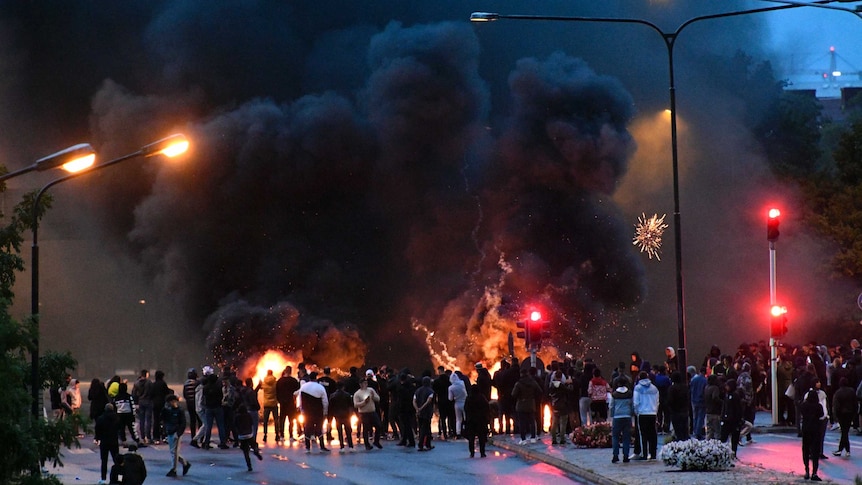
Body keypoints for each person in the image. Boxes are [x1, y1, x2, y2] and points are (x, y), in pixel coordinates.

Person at [299, 372, 330, 453]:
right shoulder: (320, 387)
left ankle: (307, 447)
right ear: (316, 378)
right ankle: (322, 446)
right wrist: (325, 412)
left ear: (309, 378)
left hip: (307, 412)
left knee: (307, 428)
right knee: (319, 428)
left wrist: (301, 410)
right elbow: (325, 401)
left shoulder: (303, 387)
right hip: (318, 411)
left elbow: (300, 400)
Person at [512, 367, 543, 445]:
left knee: (522, 422)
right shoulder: (533, 382)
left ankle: (523, 439)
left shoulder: (518, 383)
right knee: (532, 421)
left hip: (521, 404)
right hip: (531, 404)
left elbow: (513, 394)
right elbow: (539, 391)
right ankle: (533, 437)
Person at [162, 394, 191, 477]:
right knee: (173, 451)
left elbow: (183, 423)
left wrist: (178, 433)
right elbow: (163, 419)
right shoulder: (167, 410)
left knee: (174, 452)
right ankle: (185, 463)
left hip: (175, 432)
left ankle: (173, 469)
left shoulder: (179, 411)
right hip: (170, 431)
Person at [800, 388, 825, 481]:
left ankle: (806, 470)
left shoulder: (804, 405)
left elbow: (801, 412)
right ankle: (814, 472)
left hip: (806, 429)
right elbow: (822, 415)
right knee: (815, 452)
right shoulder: (818, 406)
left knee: (806, 450)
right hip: (815, 430)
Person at [632, 371, 659, 460]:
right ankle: (653, 453)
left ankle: (644, 454)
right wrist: (655, 411)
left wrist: (636, 412)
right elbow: (657, 402)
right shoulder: (654, 388)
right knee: (653, 434)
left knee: (643, 434)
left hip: (642, 413)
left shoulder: (638, 388)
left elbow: (636, 402)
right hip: (652, 413)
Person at [608, 377, 634, 464]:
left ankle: (615, 455)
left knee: (615, 437)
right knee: (626, 437)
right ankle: (626, 456)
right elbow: (632, 405)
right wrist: (632, 413)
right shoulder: (629, 394)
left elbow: (611, 406)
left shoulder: (614, 394)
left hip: (617, 416)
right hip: (627, 416)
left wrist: (612, 415)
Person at [95, 403, 120, 485]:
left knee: (104, 461)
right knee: (117, 461)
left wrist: (97, 438)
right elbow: (119, 428)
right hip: (114, 441)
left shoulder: (101, 418)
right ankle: (119, 479)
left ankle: (103, 479)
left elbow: (97, 430)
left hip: (104, 441)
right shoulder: (116, 418)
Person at [353, 378, 382, 450]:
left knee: (378, 426)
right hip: (363, 413)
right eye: (364, 383)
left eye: (366, 383)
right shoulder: (357, 393)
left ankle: (376, 441)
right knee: (366, 429)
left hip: (372, 411)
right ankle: (367, 444)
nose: (366, 384)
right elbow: (356, 405)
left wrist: (373, 396)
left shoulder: (371, 390)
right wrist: (364, 402)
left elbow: (378, 399)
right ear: (360, 384)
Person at [464, 384, 490, 458]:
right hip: (481, 420)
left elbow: (466, 409)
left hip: (471, 420)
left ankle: (472, 453)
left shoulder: (468, 398)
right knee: (481, 437)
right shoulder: (482, 398)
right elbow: (487, 408)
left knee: (471, 438)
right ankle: (482, 452)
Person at [720, 379, 744, 459]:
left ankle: (733, 453)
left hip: (733, 420)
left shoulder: (735, 396)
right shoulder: (727, 395)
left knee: (734, 439)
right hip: (727, 420)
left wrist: (738, 419)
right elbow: (724, 407)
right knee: (724, 437)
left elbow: (738, 409)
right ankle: (724, 453)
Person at [832, 377, 856, 457]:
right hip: (850, 413)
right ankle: (846, 450)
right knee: (845, 432)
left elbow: (836, 406)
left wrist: (836, 416)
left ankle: (841, 449)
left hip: (842, 414)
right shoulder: (851, 391)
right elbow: (855, 403)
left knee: (844, 432)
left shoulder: (838, 393)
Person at [113, 382, 142, 447]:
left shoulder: (116, 397)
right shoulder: (129, 396)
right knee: (132, 429)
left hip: (120, 415)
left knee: (121, 429)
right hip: (129, 415)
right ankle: (137, 440)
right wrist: (133, 414)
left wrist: (115, 415)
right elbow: (132, 406)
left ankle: (124, 441)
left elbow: (114, 407)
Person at [235, 403, 263, 471]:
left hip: (241, 436)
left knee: (246, 452)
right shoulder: (248, 415)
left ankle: (249, 466)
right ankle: (256, 452)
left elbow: (235, 426)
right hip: (249, 434)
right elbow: (251, 423)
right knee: (253, 445)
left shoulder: (237, 417)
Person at [276, 366, 300, 442]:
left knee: (282, 419)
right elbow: (297, 391)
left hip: (283, 403)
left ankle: (282, 435)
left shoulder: (279, 381)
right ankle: (291, 435)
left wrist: (279, 401)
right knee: (291, 420)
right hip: (291, 403)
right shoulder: (294, 381)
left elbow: (277, 392)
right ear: (290, 371)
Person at [329, 382, 355, 452]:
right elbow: (350, 405)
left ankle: (342, 447)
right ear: (343, 387)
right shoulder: (347, 395)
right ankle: (351, 446)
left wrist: (330, 417)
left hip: (337, 415)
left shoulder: (332, 396)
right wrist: (351, 414)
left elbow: (331, 407)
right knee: (348, 431)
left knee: (339, 431)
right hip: (346, 415)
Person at [547, 370, 571, 445]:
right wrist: (569, 384)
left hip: (554, 405)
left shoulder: (551, 385)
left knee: (554, 422)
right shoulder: (562, 386)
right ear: (561, 377)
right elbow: (569, 391)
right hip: (563, 405)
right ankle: (562, 439)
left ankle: (553, 439)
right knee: (563, 423)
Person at [413, 375, 435, 451]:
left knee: (424, 427)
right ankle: (421, 444)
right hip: (427, 412)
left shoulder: (418, 390)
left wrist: (417, 409)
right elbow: (429, 401)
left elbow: (414, 401)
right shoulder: (431, 391)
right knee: (425, 428)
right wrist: (421, 408)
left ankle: (428, 444)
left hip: (419, 413)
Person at [667, 371, 690, 441]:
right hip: (684, 411)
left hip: (675, 412)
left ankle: (679, 444)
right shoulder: (685, 387)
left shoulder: (671, 388)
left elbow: (670, 400)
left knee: (678, 431)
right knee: (685, 430)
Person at [132, 370, 153, 445]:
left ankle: (142, 436)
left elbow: (134, 393)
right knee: (148, 420)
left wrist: (136, 402)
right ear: (146, 374)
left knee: (142, 420)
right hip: (148, 401)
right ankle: (148, 437)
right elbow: (152, 392)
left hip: (140, 402)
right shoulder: (149, 383)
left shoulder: (136, 383)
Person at [150, 371, 171, 445]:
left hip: (155, 404)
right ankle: (164, 436)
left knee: (156, 421)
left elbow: (151, 394)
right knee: (164, 420)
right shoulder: (163, 384)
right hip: (162, 403)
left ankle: (156, 437)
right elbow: (167, 393)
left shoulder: (153, 384)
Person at [259, 369, 279, 443]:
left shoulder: (264, 383)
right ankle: (277, 434)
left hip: (266, 404)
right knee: (276, 420)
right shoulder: (275, 383)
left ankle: (265, 435)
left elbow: (260, 387)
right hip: (274, 403)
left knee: (265, 421)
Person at [448, 372, 468, 439]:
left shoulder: (451, 388)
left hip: (457, 403)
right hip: (464, 402)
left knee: (458, 419)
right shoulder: (462, 383)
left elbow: (450, 399)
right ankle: (466, 431)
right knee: (466, 418)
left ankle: (458, 433)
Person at [689, 366, 707, 439]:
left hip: (694, 400)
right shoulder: (705, 380)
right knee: (700, 417)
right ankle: (698, 432)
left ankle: (695, 431)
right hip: (701, 401)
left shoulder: (694, 380)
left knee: (695, 417)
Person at [703, 374, 723, 440]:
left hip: (708, 411)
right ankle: (717, 445)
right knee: (717, 431)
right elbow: (715, 398)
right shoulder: (715, 388)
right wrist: (722, 402)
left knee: (709, 431)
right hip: (715, 412)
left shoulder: (706, 387)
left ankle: (708, 445)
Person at [183, 369, 200, 439]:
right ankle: (200, 437)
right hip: (197, 403)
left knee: (192, 420)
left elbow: (184, 394)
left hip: (189, 404)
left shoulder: (186, 383)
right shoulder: (197, 383)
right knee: (200, 420)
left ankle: (193, 436)